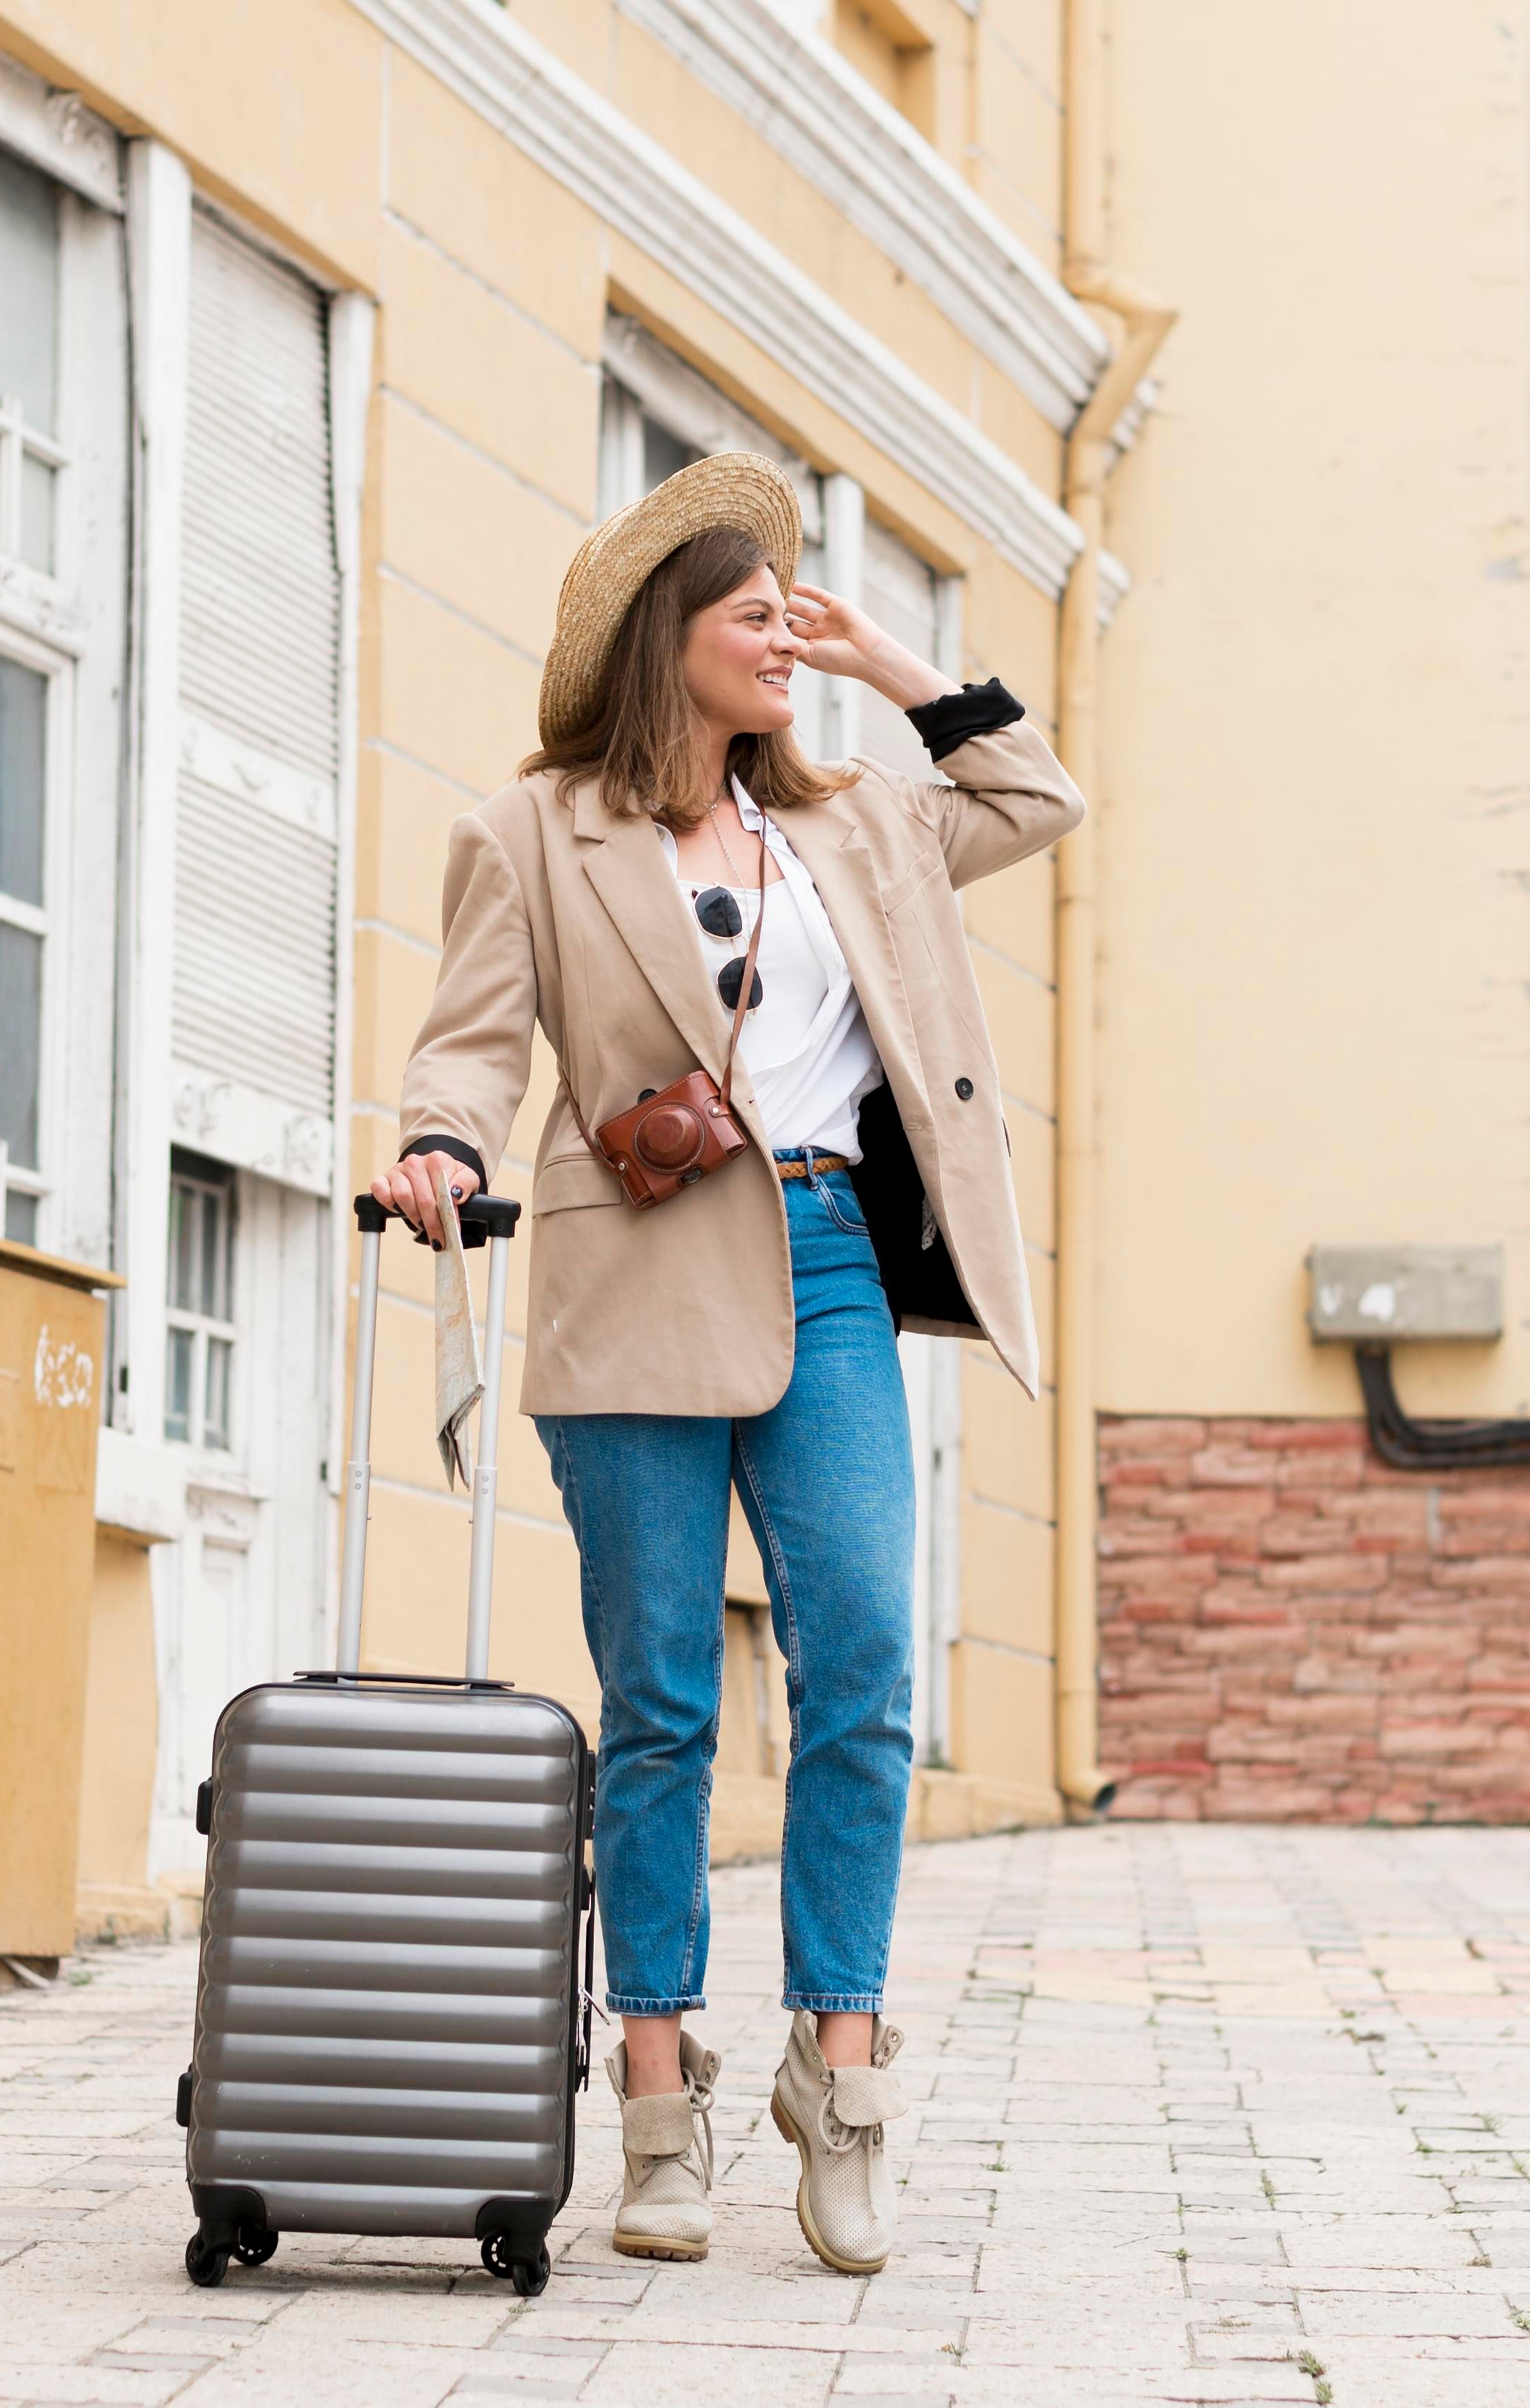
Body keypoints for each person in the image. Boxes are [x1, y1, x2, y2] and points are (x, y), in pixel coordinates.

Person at [368, 454, 1079, 2274]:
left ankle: (841, 2074)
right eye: (755, 615)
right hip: (632, 1270)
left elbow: (1037, 792)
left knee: (865, 1668)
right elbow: (470, 1044)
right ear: (661, 637)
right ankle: (658, 2096)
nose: (785, 637)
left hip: (830, 1259)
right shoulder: (533, 832)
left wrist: (887, 663)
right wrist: (439, 1145)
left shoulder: (861, 823)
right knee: (664, 1702)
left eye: (792, 615)